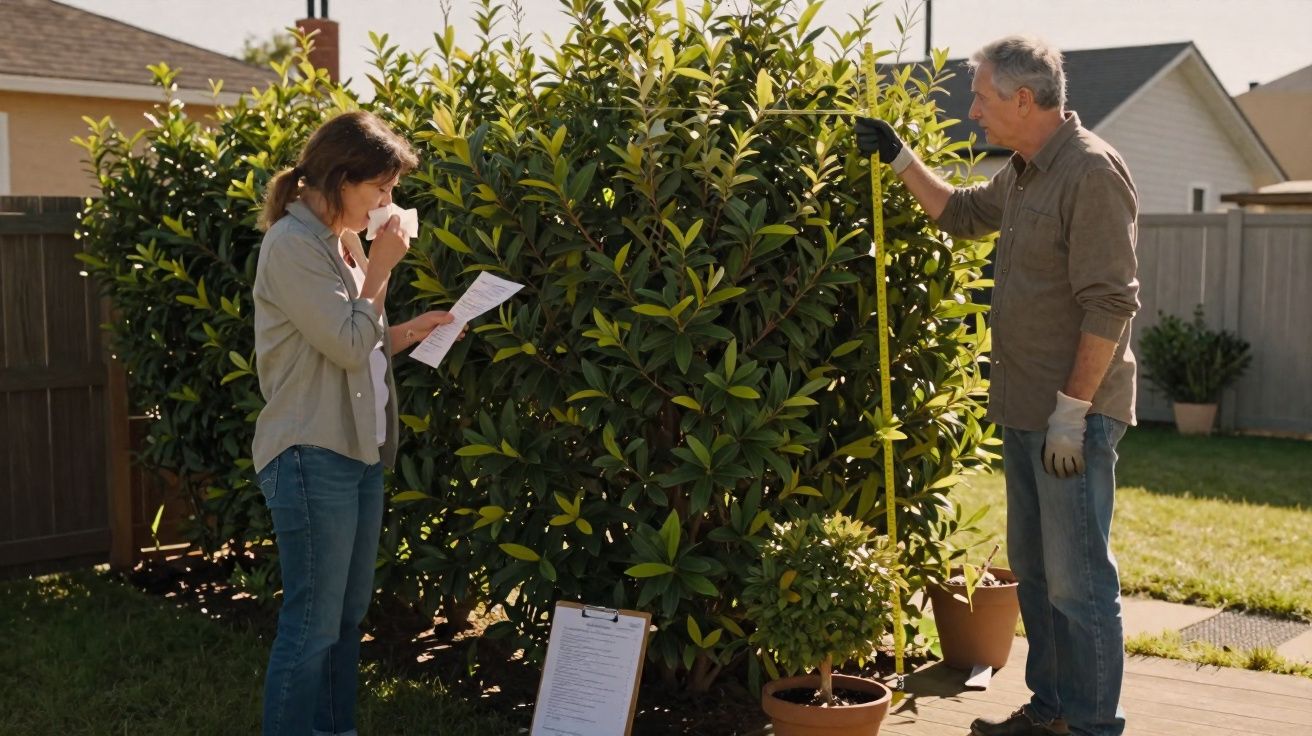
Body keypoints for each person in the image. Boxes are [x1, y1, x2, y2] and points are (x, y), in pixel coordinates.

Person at [855, 35, 1140, 736]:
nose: (973, 111)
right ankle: (1051, 709)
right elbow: (958, 214)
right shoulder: (1023, 171)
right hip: (1023, 409)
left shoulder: (1091, 173)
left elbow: (1111, 304)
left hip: (1071, 418)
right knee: (1037, 578)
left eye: (981, 97)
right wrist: (899, 157)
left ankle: (1094, 726)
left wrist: (1071, 416)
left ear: (1022, 97)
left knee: (1080, 584)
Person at [252, 110, 453, 736]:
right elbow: (343, 342)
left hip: (357, 451)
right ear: (342, 177)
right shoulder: (291, 245)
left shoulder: (338, 239)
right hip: (311, 453)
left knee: (345, 617)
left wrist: (408, 332)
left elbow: (352, 342)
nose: (390, 201)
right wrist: (382, 267)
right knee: (313, 621)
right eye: (382, 188)